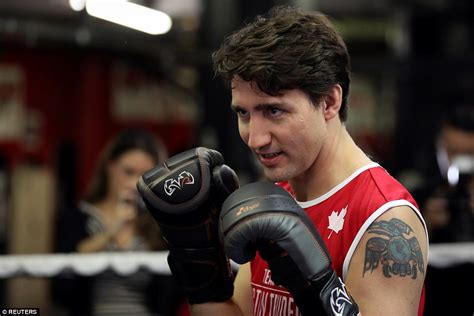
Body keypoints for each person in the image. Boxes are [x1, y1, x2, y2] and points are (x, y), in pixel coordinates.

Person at [137, 6, 428, 316]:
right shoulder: (274, 199)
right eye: (243, 113)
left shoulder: (385, 219)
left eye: (274, 111)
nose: (255, 138)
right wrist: (202, 273)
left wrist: (320, 295)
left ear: (329, 101)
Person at [52, 129, 182, 316]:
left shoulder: (159, 223)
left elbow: (173, 291)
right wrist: (114, 229)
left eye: (145, 176)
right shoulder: (78, 217)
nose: (135, 183)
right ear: (110, 167)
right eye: (128, 172)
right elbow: (64, 279)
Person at [419, 104, 474, 242]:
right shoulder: (421, 190)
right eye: (453, 152)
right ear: (441, 146)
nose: (462, 161)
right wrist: (424, 225)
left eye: (469, 153)